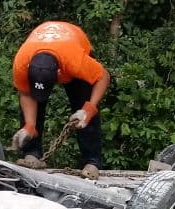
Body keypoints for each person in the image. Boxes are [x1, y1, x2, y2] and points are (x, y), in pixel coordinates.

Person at [10, 21, 111, 180]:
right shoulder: (21, 62)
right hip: (46, 50)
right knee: (32, 109)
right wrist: (29, 125)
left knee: (83, 104)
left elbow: (103, 76)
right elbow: (26, 94)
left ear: (59, 73)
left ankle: (92, 162)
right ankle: (32, 153)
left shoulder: (76, 61)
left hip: (74, 43)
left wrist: (89, 108)